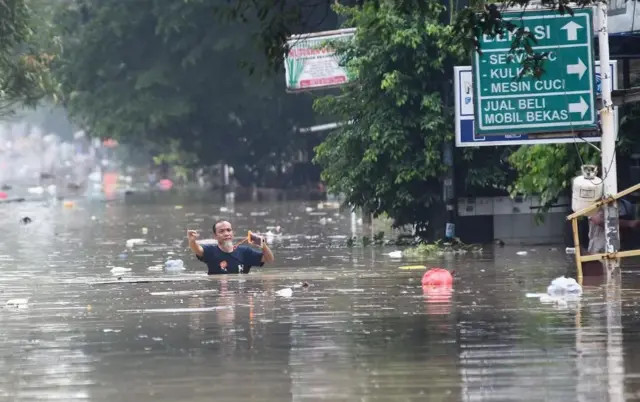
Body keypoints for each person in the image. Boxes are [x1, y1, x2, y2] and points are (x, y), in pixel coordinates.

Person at [187, 220, 275, 275]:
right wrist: (192, 240)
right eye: (221, 231)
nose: (226, 233)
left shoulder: (245, 252)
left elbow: (269, 260)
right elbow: (197, 250)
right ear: (215, 236)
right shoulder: (211, 251)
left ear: (233, 233)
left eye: (229, 230)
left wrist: (263, 245)